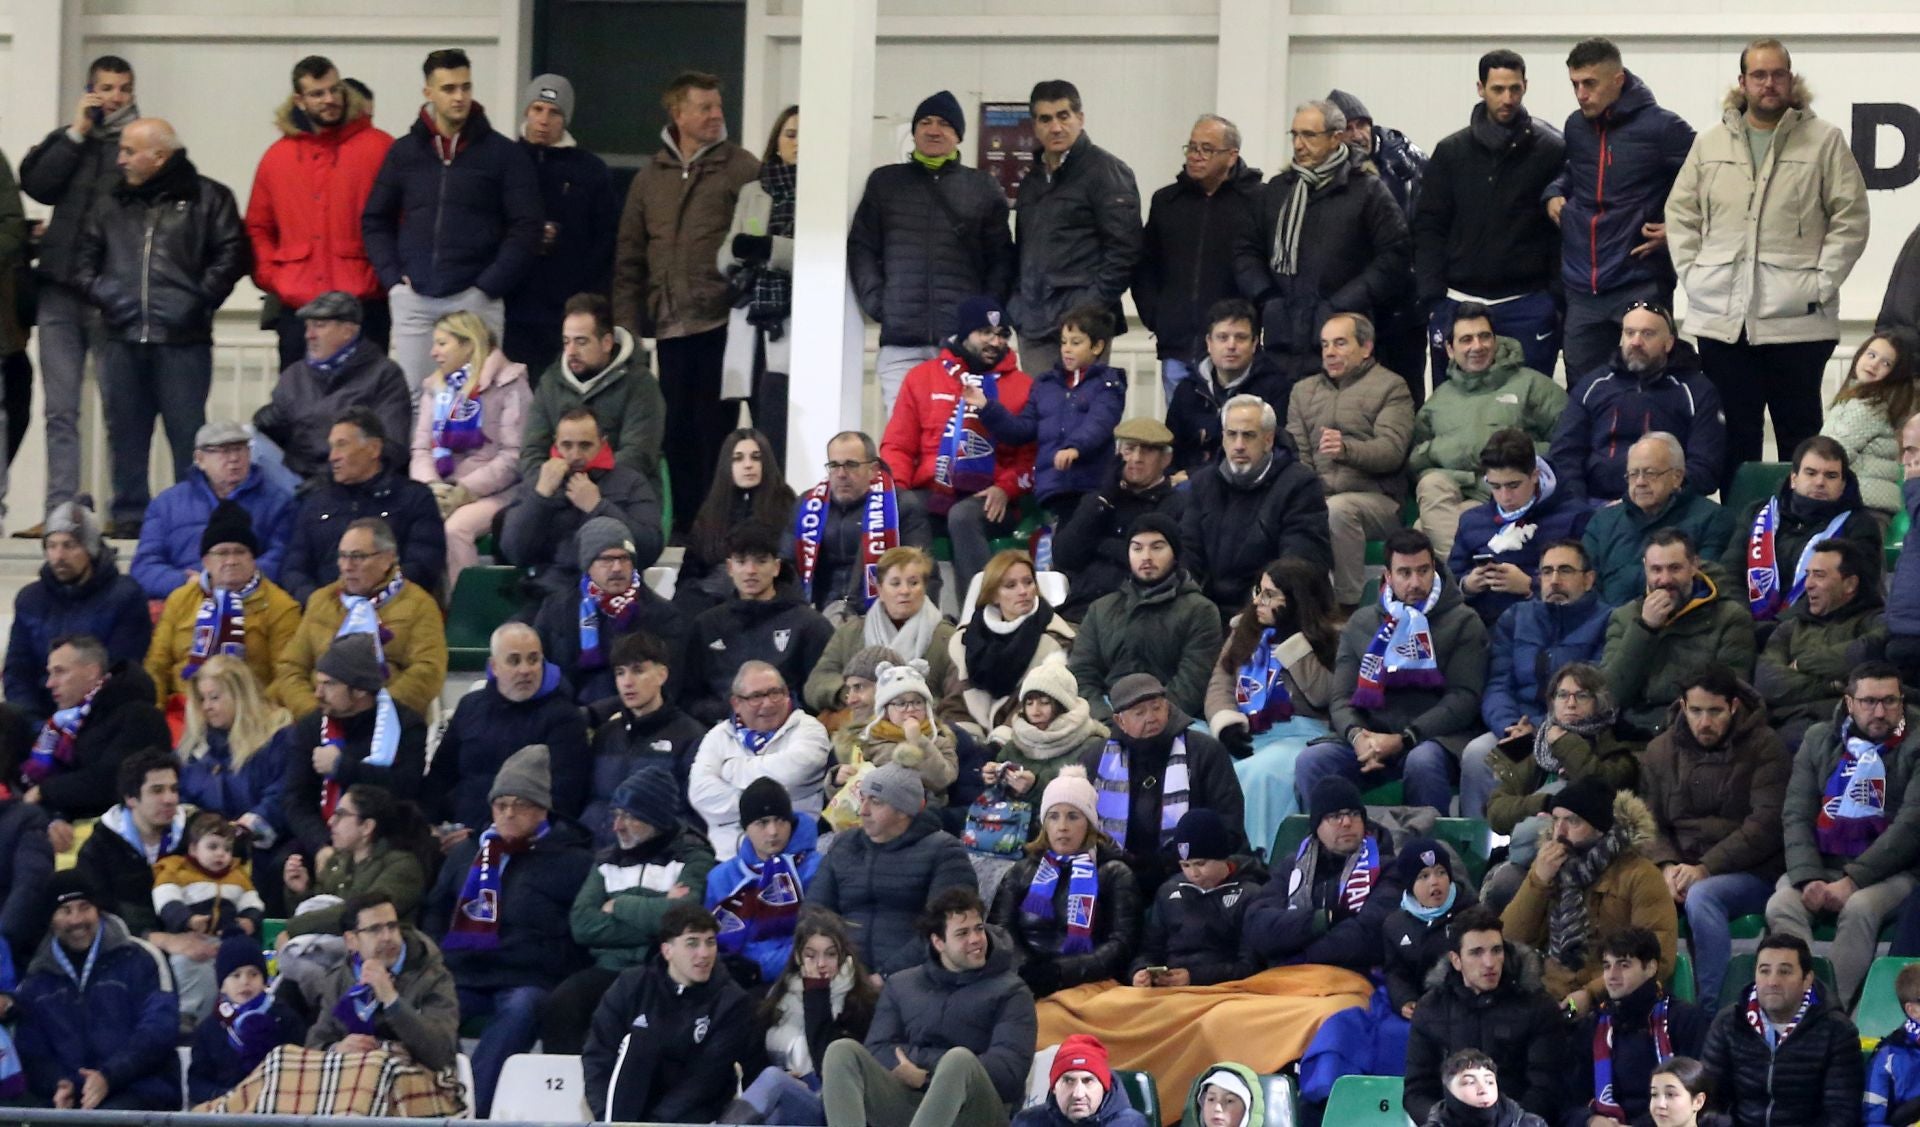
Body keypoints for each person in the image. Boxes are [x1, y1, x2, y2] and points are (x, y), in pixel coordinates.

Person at [1666, 39, 1869, 484]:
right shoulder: (1710, 142)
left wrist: (1820, 284)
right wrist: (1695, 276)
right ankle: (1741, 535)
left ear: (1791, 80)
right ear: (1742, 82)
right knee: (1734, 437)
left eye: (1778, 74)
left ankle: (1802, 528)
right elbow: (1680, 214)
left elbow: (1850, 218)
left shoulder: (1824, 141)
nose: (1769, 83)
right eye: (1759, 75)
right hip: (1723, 320)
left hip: (1797, 320)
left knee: (1800, 434)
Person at [75, 116, 248, 537]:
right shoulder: (107, 200)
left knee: (187, 433)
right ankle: (130, 517)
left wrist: (195, 302)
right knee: (125, 433)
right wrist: (112, 300)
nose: (121, 160)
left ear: (160, 156)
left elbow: (233, 255)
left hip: (184, 339)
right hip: (120, 336)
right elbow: (81, 261)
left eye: (130, 151)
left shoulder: (210, 198)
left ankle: (191, 520)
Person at [613, 71, 760, 528]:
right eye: (704, 108)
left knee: (715, 433)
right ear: (677, 114)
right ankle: (681, 530)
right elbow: (629, 259)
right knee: (672, 433)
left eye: (718, 106)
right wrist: (626, 331)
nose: (716, 115)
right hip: (669, 328)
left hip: (722, 324)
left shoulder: (742, 168)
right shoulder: (648, 178)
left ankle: (717, 529)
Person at [423, 745, 592, 1117]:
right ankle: (422, 1102)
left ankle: (470, 1110)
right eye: (500, 805)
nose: (509, 813)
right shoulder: (467, 853)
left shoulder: (572, 860)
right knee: (425, 1007)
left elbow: (575, 934)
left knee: (520, 1009)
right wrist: (438, 949)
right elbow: (435, 909)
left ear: (542, 808)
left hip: (527, 976)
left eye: (520, 804)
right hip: (463, 971)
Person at [361, 48, 541, 390]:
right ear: (428, 93)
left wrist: (488, 286)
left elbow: (526, 225)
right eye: (448, 88)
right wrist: (394, 282)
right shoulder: (403, 153)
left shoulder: (503, 154)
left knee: (481, 399)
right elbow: (375, 220)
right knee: (416, 400)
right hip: (414, 300)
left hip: (476, 298)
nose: (459, 97)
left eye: (466, 87)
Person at [19, 55, 138, 531]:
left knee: (117, 406)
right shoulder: (70, 138)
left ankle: (120, 513)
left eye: (123, 88)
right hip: (59, 291)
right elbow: (39, 183)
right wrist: (75, 133)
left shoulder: (140, 144)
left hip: (111, 294)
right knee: (60, 410)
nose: (115, 97)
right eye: (106, 87)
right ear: (90, 91)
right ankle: (59, 514)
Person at [1296, 528, 1488, 813]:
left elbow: (1463, 699)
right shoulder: (1361, 623)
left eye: (1423, 571)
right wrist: (1357, 737)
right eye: (1405, 573)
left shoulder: (1463, 621)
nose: (1415, 582)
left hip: (1434, 739)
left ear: (1434, 568)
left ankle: (1428, 853)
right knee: (1313, 760)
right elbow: (1341, 698)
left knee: (1422, 761)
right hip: (1372, 739)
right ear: (1387, 576)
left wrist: (1405, 738)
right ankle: (1331, 848)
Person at [849, 91, 1015, 415]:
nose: (933, 130)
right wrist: (877, 302)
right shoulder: (885, 183)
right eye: (925, 122)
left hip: (962, 344)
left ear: (958, 135)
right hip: (900, 342)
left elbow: (1001, 258)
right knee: (901, 435)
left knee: (958, 437)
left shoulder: (982, 187)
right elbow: (862, 246)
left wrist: (986, 315)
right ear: (914, 131)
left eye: (944, 124)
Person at [1764, 662, 1920, 1003]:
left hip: (1892, 872)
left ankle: (1830, 1008)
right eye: (1869, 702)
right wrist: (1807, 879)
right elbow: (1796, 813)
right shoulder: (1820, 739)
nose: (1880, 712)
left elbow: (1911, 825)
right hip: (1822, 865)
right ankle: (1800, 1001)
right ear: (1849, 703)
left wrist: (1852, 880)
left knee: (1860, 908)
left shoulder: (1916, 742)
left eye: (1890, 701)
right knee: (1782, 905)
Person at [820, 885, 1038, 1127]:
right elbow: (878, 1049)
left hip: (976, 1111)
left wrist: (926, 1077)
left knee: (960, 1061)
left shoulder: (1012, 991)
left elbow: (1009, 1073)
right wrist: (917, 1076)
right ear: (938, 942)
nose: (976, 939)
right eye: (962, 933)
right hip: (907, 1101)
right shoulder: (901, 984)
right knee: (842, 1051)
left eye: (978, 929)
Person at [1640, 667, 1790, 1013]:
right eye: (1695, 711)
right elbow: (1647, 820)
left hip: (1751, 871)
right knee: (1630, 883)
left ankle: (1712, 1012)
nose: (1704, 722)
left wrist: (1706, 868)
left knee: (1703, 896)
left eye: (1715, 711)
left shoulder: (1765, 746)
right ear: (1683, 706)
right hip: (1678, 868)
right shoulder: (1660, 750)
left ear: (1734, 706)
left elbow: (1765, 826)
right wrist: (1664, 867)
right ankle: (1643, 1009)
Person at [1233, 99, 1411, 385]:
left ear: (1335, 138)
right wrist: (1267, 298)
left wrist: (1342, 303)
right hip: (1282, 334)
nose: (1299, 144)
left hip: (1341, 336)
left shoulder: (1367, 190)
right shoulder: (1276, 191)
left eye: (1309, 135)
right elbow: (1246, 251)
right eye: (1295, 135)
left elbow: (1395, 256)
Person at [542, 765, 717, 1055]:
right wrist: (656, 910)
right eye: (616, 815)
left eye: (630, 817)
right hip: (608, 969)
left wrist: (619, 904)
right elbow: (583, 924)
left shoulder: (691, 856)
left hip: (662, 971)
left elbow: (683, 921)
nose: (617, 826)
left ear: (656, 818)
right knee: (563, 1003)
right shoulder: (607, 860)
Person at [1413, 50, 1566, 381]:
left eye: (1515, 89)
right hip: (1456, 302)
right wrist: (1432, 298)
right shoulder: (1451, 152)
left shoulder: (1551, 151)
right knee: (1453, 408)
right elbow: (1429, 226)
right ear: (1480, 88)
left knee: (1528, 411)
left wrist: (1554, 299)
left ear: (1525, 86)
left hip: (1528, 305)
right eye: (1498, 89)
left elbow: (1561, 232)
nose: (1507, 98)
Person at [1547, 38, 1695, 381]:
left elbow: (1711, 179)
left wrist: (1680, 229)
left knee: (1649, 384)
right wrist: (1553, 191)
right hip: (1582, 285)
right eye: (1575, 84)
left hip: (1639, 280)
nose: (1581, 94)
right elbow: (1573, 171)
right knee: (1584, 390)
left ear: (1618, 79)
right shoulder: (1575, 126)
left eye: (1590, 84)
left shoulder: (1663, 128)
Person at [879, 295, 1036, 597]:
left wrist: (1006, 488)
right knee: (904, 507)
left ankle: (977, 612)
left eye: (1003, 334)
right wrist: (896, 489)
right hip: (933, 491)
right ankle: (921, 608)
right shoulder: (923, 377)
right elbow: (898, 445)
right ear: (964, 334)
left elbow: (1031, 456)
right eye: (986, 333)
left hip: (993, 499)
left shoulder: (1023, 386)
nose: (996, 341)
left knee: (962, 515)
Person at [246, 55, 395, 369]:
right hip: (298, 306)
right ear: (299, 100)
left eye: (334, 90)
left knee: (364, 409)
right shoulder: (277, 158)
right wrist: (275, 277)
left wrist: (386, 276)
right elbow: (258, 227)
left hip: (365, 304)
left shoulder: (380, 149)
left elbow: (405, 219)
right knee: (298, 409)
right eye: (318, 94)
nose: (329, 100)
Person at [1460, 538, 1612, 818]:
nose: (1554, 580)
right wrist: (1509, 728)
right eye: (1547, 571)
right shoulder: (1516, 617)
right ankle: (1480, 851)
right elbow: (1498, 682)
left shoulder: (1607, 621)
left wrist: (1538, 729)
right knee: (1477, 755)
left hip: (1575, 734)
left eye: (1565, 571)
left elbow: (1595, 692)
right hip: (1519, 728)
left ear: (1588, 580)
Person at [1501, 777, 1677, 1008]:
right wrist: (1537, 881)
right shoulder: (1549, 870)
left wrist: (1591, 994)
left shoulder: (1640, 875)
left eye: (1572, 821)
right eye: (1556, 820)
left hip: (1613, 1001)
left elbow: (1656, 957)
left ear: (1599, 827)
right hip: (1549, 998)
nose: (1559, 832)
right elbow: (1508, 942)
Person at [12, 872, 180, 1110]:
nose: (76, 919)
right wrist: (59, 1084)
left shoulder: (141, 957)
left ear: (98, 909)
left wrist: (109, 1077)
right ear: (50, 919)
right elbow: (32, 1052)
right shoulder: (35, 981)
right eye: (65, 911)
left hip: (143, 1093)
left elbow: (159, 1029)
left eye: (84, 907)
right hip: (74, 1103)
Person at [583, 901, 764, 1123]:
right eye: (692, 943)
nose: (704, 953)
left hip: (694, 1116)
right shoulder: (632, 986)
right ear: (667, 950)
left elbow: (704, 1081)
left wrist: (655, 1125)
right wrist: (607, 1118)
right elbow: (598, 1055)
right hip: (624, 1113)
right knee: (639, 1045)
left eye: (710, 942)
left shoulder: (731, 1002)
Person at [1409, 308, 1567, 559]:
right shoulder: (1438, 400)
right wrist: (1459, 470)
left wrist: (1512, 458)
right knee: (1431, 486)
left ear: (1496, 340)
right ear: (1450, 349)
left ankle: (1457, 580)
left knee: (1423, 531)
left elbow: (1567, 443)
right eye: (1466, 339)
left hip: (1501, 496)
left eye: (1484, 337)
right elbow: (1418, 460)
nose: (1477, 346)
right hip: (1450, 493)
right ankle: (1463, 573)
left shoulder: (1532, 385)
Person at [1010, 79, 1141, 377]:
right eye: (1045, 119)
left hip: (1083, 327)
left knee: (1080, 418)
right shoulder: (1032, 179)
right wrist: (1016, 306)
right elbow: (1024, 249)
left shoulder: (1107, 172)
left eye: (1063, 116)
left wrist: (1086, 312)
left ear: (1080, 119)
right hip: (1033, 325)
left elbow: (1125, 251)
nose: (1056, 127)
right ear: (1034, 126)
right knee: (1040, 418)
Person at [70, 750, 211, 1020]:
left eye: (173, 789)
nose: (170, 799)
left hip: (194, 942)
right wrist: (159, 939)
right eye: (157, 790)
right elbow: (101, 914)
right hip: (127, 948)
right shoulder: (99, 847)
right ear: (131, 798)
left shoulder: (196, 833)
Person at [1208, 558, 1340, 843]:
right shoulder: (1243, 631)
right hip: (1247, 730)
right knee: (1196, 750)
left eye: (1269, 595)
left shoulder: (1329, 639)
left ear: (1296, 601)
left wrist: (1293, 644)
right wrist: (1226, 722)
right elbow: (1221, 683)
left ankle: (1262, 854)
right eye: (1258, 591)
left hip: (1301, 734)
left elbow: (1324, 695)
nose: (1258, 601)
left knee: (1260, 772)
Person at [1287, 312, 1414, 606]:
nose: (1330, 352)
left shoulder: (1391, 387)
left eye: (1340, 343)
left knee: (1339, 510)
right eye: (1325, 345)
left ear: (1366, 347)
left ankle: (1347, 606)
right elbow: (1299, 454)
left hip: (1377, 501)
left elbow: (1392, 452)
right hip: (1320, 496)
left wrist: (1347, 450)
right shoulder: (1302, 391)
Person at [1136, 116, 1264, 404]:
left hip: (1234, 346)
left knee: (1236, 437)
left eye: (1207, 149)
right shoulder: (1166, 202)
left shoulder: (1258, 201)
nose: (1196, 156)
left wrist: (1255, 316)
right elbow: (1145, 265)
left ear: (1232, 156)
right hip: (1177, 345)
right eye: (1192, 147)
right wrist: (1156, 315)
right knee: (1184, 436)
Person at [271, 517, 447, 719]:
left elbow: (428, 672)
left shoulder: (419, 605)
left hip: (387, 723)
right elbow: (291, 667)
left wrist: (374, 715)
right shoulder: (321, 600)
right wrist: (314, 713)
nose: (347, 566)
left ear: (387, 558)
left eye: (358, 557)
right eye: (343, 556)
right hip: (319, 719)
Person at [1084, 672, 1245, 892]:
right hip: (1113, 873)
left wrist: (1175, 862)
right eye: (1139, 713)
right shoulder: (1096, 758)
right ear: (1119, 721)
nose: (1150, 717)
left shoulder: (1204, 751)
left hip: (1189, 873)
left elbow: (1229, 824)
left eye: (1156, 707)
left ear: (1167, 707)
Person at [423, 623, 590, 834]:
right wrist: (429, 827)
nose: (525, 670)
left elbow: (564, 796)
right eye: (514, 660)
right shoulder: (470, 706)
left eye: (533, 659)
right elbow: (440, 777)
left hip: (523, 839)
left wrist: (482, 836)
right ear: (494, 666)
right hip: (458, 830)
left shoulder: (564, 717)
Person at [1550, 304, 1725, 505]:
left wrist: (1643, 501)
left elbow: (1705, 467)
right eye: (1629, 333)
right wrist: (1578, 505)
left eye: (1647, 334)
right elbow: (1565, 454)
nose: (1636, 342)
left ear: (1668, 343)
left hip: (1669, 506)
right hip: (1595, 505)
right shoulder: (1592, 385)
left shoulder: (1697, 390)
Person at [276, 633, 430, 861]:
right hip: (323, 835)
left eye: (329, 684)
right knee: (280, 866)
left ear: (359, 690)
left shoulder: (405, 726)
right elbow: (295, 799)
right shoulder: (312, 726)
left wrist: (343, 767)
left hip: (385, 841)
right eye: (318, 683)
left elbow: (405, 788)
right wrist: (321, 846)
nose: (318, 694)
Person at [1402, 906, 1562, 1124]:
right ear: (1456, 960)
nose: (1489, 963)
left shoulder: (1537, 1006)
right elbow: (1416, 1091)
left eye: (1496, 950)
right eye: (1476, 952)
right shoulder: (1430, 1009)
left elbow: (1546, 1089)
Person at [990, 767, 1142, 995]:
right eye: (1053, 816)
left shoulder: (1114, 873)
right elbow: (1001, 931)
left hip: (1092, 984)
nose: (1062, 826)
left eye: (1073, 816)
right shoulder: (1020, 872)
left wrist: (1060, 973)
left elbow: (1122, 945)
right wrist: (1026, 970)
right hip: (1024, 980)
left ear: (1089, 823)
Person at [812, 764, 976, 976]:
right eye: (862, 798)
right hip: (843, 972)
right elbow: (815, 912)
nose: (863, 810)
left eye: (876, 802)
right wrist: (827, 964)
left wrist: (886, 976)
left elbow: (944, 929)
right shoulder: (844, 844)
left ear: (903, 811)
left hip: (912, 979)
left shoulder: (944, 851)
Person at [505, 74, 618, 376]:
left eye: (553, 112)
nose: (543, 120)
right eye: (537, 109)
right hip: (510, 307)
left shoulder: (591, 171)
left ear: (565, 118)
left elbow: (605, 239)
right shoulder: (503, 160)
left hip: (566, 312)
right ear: (527, 111)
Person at [1180, 394, 1332, 616]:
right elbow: (1188, 552)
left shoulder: (1300, 484)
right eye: (1232, 435)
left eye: (1249, 435)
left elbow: (1298, 564)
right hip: (1209, 609)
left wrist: (1254, 609)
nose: (1239, 445)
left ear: (1268, 440)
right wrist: (1193, 605)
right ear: (1223, 438)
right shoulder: (1203, 483)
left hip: (1272, 610)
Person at [974, 303, 1127, 521]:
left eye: (1076, 343)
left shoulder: (1108, 384)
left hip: (1091, 485)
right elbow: (1022, 430)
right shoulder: (1045, 385)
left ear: (1097, 347)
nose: (1066, 348)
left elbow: (1100, 422)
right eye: (1064, 342)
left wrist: (1075, 447)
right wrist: (987, 407)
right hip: (1053, 486)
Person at [407, 310, 528, 582]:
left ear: (468, 344)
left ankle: (462, 611)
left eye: (441, 343)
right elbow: (421, 449)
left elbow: (514, 456)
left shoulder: (510, 383)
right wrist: (432, 487)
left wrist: (465, 490)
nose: (433, 353)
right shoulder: (435, 388)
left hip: (499, 492)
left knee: (455, 530)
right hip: (441, 491)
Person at [4, 504, 151, 726]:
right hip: (37, 718)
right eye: (51, 546)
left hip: (102, 718)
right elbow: (18, 671)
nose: (59, 556)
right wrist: (36, 725)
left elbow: (122, 672)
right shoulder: (30, 599)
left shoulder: (125, 596)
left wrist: (74, 723)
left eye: (69, 545)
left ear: (90, 548)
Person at [278, 410, 446, 604]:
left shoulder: (414, 498)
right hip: (325, 615)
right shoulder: (316, 503)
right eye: (331, 447)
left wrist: (370, 602)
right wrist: (320, 603)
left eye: (342, 445)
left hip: (392, 615)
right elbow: (294, 569)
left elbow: (423, 565)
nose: (333, 457)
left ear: (374, 449)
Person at [144, 500, 302, 706]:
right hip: (185, 707)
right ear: (205, 561)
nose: (231, 560)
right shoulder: (180, 599)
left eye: (240, 552)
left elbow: (285, 675)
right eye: (222, 553)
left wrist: (252, 710)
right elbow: (157, 665)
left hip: (252, 710)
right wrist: (156, 713)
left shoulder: (281, 606)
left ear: (253, 559)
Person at [497, 406, 664, 600]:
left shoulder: (630, 482)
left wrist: (598, 507)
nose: (575, 455)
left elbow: (650, 548)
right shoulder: (539, 483)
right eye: (567, 445)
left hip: (615, 594)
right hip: (549, 596)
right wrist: (540, 498)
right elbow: (515, 552)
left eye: (585, 446)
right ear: (556, 444)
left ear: (602, 443)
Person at [1602, 529, 1756, 739]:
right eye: (1656, 569)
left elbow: (1731, 694)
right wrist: (1644, 629)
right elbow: (1610, 695)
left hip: (1695, 734)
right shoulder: (1624, 617)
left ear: (1694, 566)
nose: (1665, 579)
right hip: (1630, 733)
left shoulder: (1730, 617)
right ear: (1645, 568)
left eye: (1675, 568)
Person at [1698, 932, 1863, 1126]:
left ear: (1807, 979)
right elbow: (1707, 1100)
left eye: (1784, 971)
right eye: (1764, 971)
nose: (1773, 982)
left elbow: (1841, 1114)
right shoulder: (1728, 1022)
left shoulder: (1838, 1031)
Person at [249, 291, 414, 485]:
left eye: (319, 326)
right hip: (298, 479)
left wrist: (330, 479)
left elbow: (392, 448)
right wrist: (270, 426)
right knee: (248, 440)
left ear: (348, 331)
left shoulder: (384, 375)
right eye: (308, 327)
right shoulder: (294, 375)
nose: (309, 335)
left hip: (355, 482)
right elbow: (286, 442)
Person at [1071, 513, 1222, 722]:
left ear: (1175, 554)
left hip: (1173, 721)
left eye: (1157, 547)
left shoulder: (1200, 611)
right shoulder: (1101, 609)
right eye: (1137, 548)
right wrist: (1106, 720)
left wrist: (1146, 721)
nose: (1146, 556)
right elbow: (1081, 675)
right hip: (1106, 720)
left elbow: (1192, 685)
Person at [1722, 436, 1882, 628]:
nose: (1820, 482)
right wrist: (1743, 620)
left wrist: (1778, 627)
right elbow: (1730, 573)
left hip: (1816, 630)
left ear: (1842, 485)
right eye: (1811, 473)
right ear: (1794, 479)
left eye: (1831, 476)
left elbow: (1845, 591)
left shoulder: (1860, 526)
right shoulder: (1756, 513)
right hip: (1744, 626)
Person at [130, 419, 297, 600]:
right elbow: (144, 566)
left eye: (240, 449)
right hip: (183, 600)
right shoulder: (166, 504)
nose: (234, 458)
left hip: (250, 601)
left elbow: (282, 558)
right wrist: (188, 583)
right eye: (224, 451)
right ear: (200, 459)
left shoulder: (277, 502)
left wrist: (236, 578)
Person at [1244, 775, 1397, 971]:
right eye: (1335, 816)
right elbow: (1258, 925)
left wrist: (1298, 957)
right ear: (1317, 826)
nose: (1347, 822)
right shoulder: (1293, 866)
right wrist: (1322, 920)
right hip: (1285, 979)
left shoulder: (1386, 868)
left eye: (1354, 813)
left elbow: (1367, 936)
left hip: (1351, 978)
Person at [1560, 927, 1710, 1126]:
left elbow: (1700, 1095)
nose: (1612, 976)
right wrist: (1589, 1120)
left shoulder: (1684, 1019)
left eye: (1624, 965)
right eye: (1607, 966)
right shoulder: (1593, 1025)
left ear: (1650, 968)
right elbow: (1567, 1100)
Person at [535, 518, 690, 708]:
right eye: (607, 559)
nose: (617, 568)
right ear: (588, 565)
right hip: (568, 716)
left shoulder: (663, 615)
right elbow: (542, 671)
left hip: (635, 717)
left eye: (624, 559)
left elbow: (669, 686)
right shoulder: (556, 609)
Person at [688, 524, 834, 724]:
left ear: (776, 567)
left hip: (791, 735)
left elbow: (820, 694)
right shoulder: (706, 625)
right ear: (730, 568)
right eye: (741, 562)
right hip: (720, 734)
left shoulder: (810, 625)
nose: (750, 571)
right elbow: (690, 697)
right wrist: (729, 713)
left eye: (761, 561)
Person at [21, 636, 168, 831]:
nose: (50, 683)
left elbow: (111, 781)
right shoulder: (67, 722)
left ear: (91, 672)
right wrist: (53, 819)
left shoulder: (139, 716)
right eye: (50, 673)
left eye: (60, 672)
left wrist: (44, 791)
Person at [718, 106, 799, 457]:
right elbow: (724, 256)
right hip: (751, 318)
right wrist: (739, 252)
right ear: (776, 142)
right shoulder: (754, 191)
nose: (799, 143)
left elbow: (820, 255)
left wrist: (770, 248)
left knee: (785, 427)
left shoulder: (824, 192)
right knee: (757, 426)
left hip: (792, 319)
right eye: (791, 134)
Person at [519, 292, 664, 488]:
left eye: (581, 342)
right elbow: (531, 451)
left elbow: (638, 455)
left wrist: (585, 489)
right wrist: (555, 489)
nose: (571, 352)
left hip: (621, 497)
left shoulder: (640, 383)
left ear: (606, 343)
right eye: (566, 342)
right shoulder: (550, 382)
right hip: (556, 496)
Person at [302, 892, 459, 1072]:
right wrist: (336, 1049)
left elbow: (441, 1052)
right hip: (354, 1083)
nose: (387, 937)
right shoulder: (338, 979)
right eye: (375, 929)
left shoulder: (432, 976)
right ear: (351, 941)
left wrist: (391, 1000)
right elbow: (315, 1044)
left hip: (417, 1082)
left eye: (392, 926)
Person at [1449, 430, 1592, 627]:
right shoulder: (1472, 521)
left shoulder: (1574, 517)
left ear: (1535, 475)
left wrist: (1530, 585)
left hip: (1551, 627)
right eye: (1496, 487)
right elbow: (1449, 581)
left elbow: (1589, 586)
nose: (1505, 496)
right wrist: (1468, 585)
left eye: (1513, 485)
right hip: (1485, 629)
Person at [1483, 662, 1638, 844]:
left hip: (1588, 848)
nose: (1570, 704)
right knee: (1506, 873)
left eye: (1581, 696)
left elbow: (1600, 784)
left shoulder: (1615, 748)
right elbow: (1496, 812)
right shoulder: (1534, 745)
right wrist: (1546, 803)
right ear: (1552, 701)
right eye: (1563, 695)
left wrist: (1564, 742)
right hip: (1529, 848)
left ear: (1598, 702)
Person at [689, 661, 830, 859]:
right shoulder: (717, 737)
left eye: (775, 692)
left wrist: (731, 770)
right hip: (726, 857)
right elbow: (700, 794)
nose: (768, 703)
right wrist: (764, 804)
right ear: (736, 703)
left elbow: (795, 771)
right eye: (756, 696)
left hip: (795, 855)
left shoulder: (809, 728)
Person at [1753, 538, 1887, 745]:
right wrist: (1831, 686)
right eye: (1808, 575)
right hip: (1783, 723)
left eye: (1819, 575)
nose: (1808, 585)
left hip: (1841, 727)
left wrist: (1802, 664)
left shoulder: (1876, 622)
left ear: (1850, 584)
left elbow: (1862, 656)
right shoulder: (1790, 628)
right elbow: (1767, 682)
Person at [1052, 417, 1187, 618]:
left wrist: (1099, 544)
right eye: (1129, 449)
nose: (1136, 458)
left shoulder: (1177, 505)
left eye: (1147, 450)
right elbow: (1064, 557)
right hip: (1080, 609)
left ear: (1165, 460)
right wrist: (1104, 499)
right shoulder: (1099, 500)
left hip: (1136, 613)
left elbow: (1154, 564)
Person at [791, 430, 937, 615]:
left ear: (873, 470)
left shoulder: (901, 505)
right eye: (834, 465)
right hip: (820, 612)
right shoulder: (806, 505)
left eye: (851, 465)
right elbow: (788, 567)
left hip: (882, 614)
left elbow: (926, 572)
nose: (841, 474)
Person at [1584, 432, 1736, 606]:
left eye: (1650, 473)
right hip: (1607, 625)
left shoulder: (1713, 519)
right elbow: (1584, 583)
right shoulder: (1603, 521)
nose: (1640, 482)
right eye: (1633, 474)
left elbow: (1704, 584)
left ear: (1677, 477)